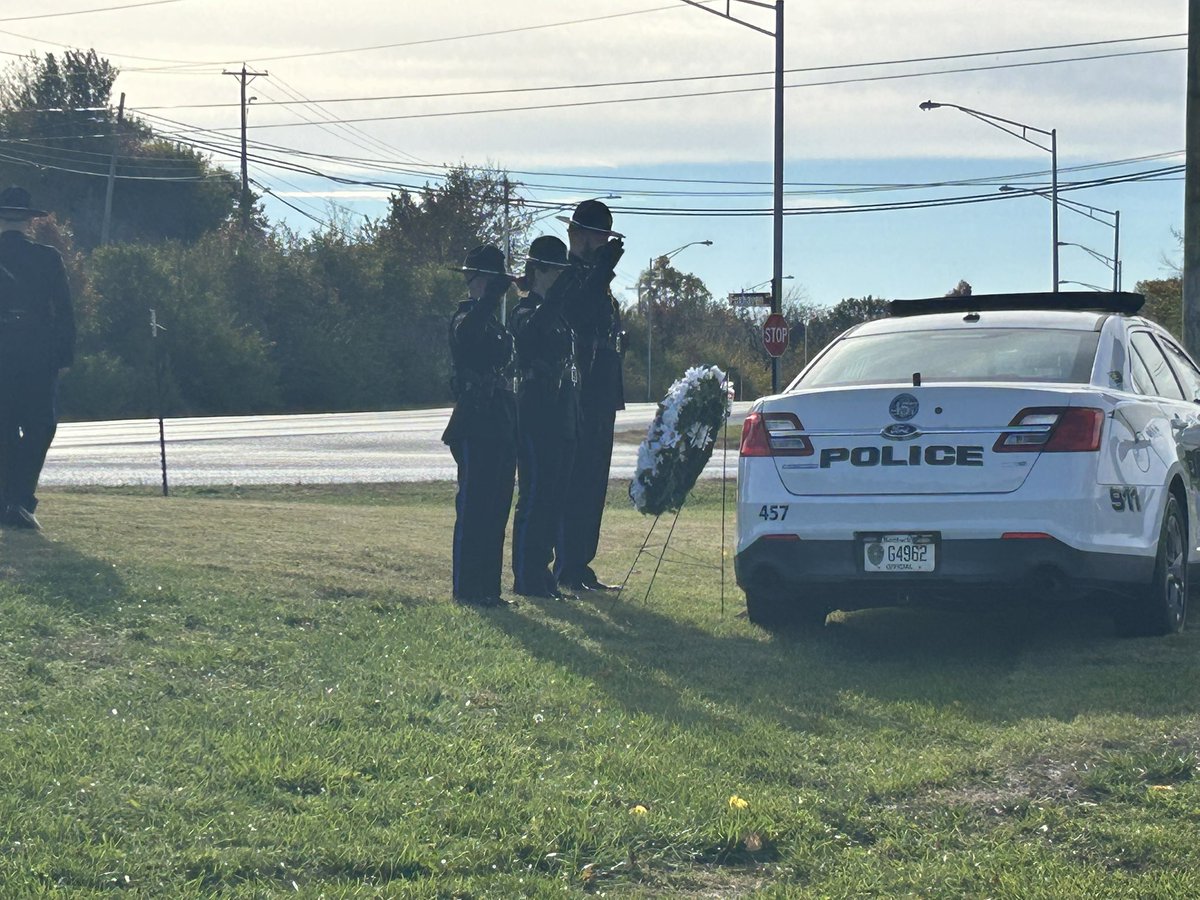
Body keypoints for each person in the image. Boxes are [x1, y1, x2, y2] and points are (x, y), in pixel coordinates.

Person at [549, 200, 626, 592]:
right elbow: (576, 313)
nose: (601, 243)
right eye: (596, 235)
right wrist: (601, 271)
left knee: (594, 479)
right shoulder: (567, 276)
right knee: (574, 479)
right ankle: (565, 562)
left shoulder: (599, 279)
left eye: (605, 237)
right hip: (576, 389)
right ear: (576, 235)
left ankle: (580, 563)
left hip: (600, 388)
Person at [441, 244, 519, 609]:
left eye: (494, 280)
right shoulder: (465, 318)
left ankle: (490, 587)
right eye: (485, 279)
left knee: (497, 507)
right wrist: (489, 299)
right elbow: (468, 336)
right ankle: (468, 588)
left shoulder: (494, 324)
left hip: (501, 417)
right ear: (473, 280)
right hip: (475, 419)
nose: (489, 286)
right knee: (475, 507)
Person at [509, 236, 580, 599]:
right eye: (555, 271)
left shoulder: (557, 313)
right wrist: (552, 299)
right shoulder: (524, 310)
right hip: (536, 407)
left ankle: (544, 573)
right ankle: (527, 575)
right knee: (536, 492)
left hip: (560, 407)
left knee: (555, 493)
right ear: (538, 270)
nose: (559, 278)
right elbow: (531, 331)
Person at [0, 186, 74, 530]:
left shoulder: (47, 257)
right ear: (30, 221)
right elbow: (64, 313)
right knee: (40, 425)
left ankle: (10, 501)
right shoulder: (47, 257)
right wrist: (64, 355)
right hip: (37, 350)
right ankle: (20, 500)